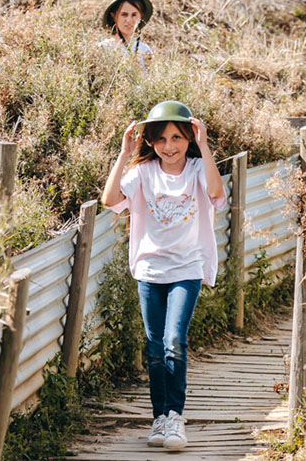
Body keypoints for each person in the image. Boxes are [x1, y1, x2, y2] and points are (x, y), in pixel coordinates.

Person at [100, 101, 225, 451]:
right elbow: (110, 199)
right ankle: (159, 417)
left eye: (178, 137)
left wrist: (205, 146)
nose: (169, 146)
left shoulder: (198, 169)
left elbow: (216, 194)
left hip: (187, 267)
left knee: (174, 341)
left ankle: (175, 418)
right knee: (155, 348)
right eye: (161, 139)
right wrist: (124, 154)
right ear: (151, 142)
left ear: (189, 138)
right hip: (150, 270)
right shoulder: (143, 173)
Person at [98, 0, 154, 70]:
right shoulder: (103, 48)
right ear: (113, 16)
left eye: (134, 15)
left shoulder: (145, 50)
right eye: (124, 14)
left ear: (141, 17)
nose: (129, 20)